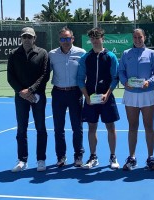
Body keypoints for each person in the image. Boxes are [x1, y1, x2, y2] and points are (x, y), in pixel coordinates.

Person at [7, 27, 50, 172]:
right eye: (24, 36)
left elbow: (44, 75)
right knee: (21, 129)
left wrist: (31, 90)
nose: (27, 39)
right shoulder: (14, 54)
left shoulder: (42, 53)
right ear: (21, 38)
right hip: (20, 97)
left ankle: (41, 160)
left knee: (40, 128)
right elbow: (10, 77)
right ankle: (22, 160)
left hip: (38, 96)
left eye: (29, 37)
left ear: (34, 38)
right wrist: (21, 91)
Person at [77, 27, 120, 170]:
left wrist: (107, 94)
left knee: (110, 127)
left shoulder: (111, 57)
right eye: (93, 38)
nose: (95, 40)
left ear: (103, 38)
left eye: (98, 37)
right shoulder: (85, 58)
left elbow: (115, 78)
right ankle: (93, 156)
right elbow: (80, 79)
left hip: (107, 98)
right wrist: (86, 97)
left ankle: (113, 156)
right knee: (91, 127)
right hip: (90, 99)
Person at [118, 28, 154, 171]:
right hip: (130, 94)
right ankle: (132, 158)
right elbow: (121, 71)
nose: (137, 40)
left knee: (149, 127)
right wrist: (125, 82)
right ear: (132, 38)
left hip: (147, 93)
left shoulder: (151, 54)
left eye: (140, 37)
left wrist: (150, 81)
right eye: (135, 37)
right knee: (132, 127)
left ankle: (151, 157)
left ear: (144, 37)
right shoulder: (126, 54)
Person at [49, 27, 86, 168]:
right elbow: (44, 73)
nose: (65, 41)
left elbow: (86, 73)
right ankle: (61, 157)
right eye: (62, 39)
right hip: (58, 93)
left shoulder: (81, 53)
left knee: (77, 127)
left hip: (75, 92)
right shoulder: (52, 54)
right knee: (58, 128)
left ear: (73, 38)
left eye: (68, 38)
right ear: (59, 40)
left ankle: (78, 155)